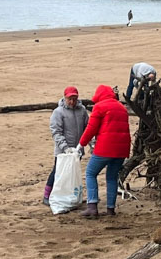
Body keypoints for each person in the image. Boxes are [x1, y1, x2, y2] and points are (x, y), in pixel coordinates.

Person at [76, 85, 131, 218]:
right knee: (112, 177)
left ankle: (92, 206)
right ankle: (110, 209)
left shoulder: (100, 107)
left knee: (90, 173)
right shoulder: (122, 108)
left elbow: (91, 129)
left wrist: (81, 144)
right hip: (122, 149)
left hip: (105, 147)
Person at [44, 86, 89, 205]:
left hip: (77, 149)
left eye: (74, 99)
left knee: (72, 173)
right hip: (63, 150)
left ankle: (68, 195)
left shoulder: (82, 110)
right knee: (57, 171)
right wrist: (65, 147)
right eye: (69, 99)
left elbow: (88, 128)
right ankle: (47, 195)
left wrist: (88, 144)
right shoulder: (58, 112)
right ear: (65, 98)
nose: (72, 102)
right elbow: (56, 132)